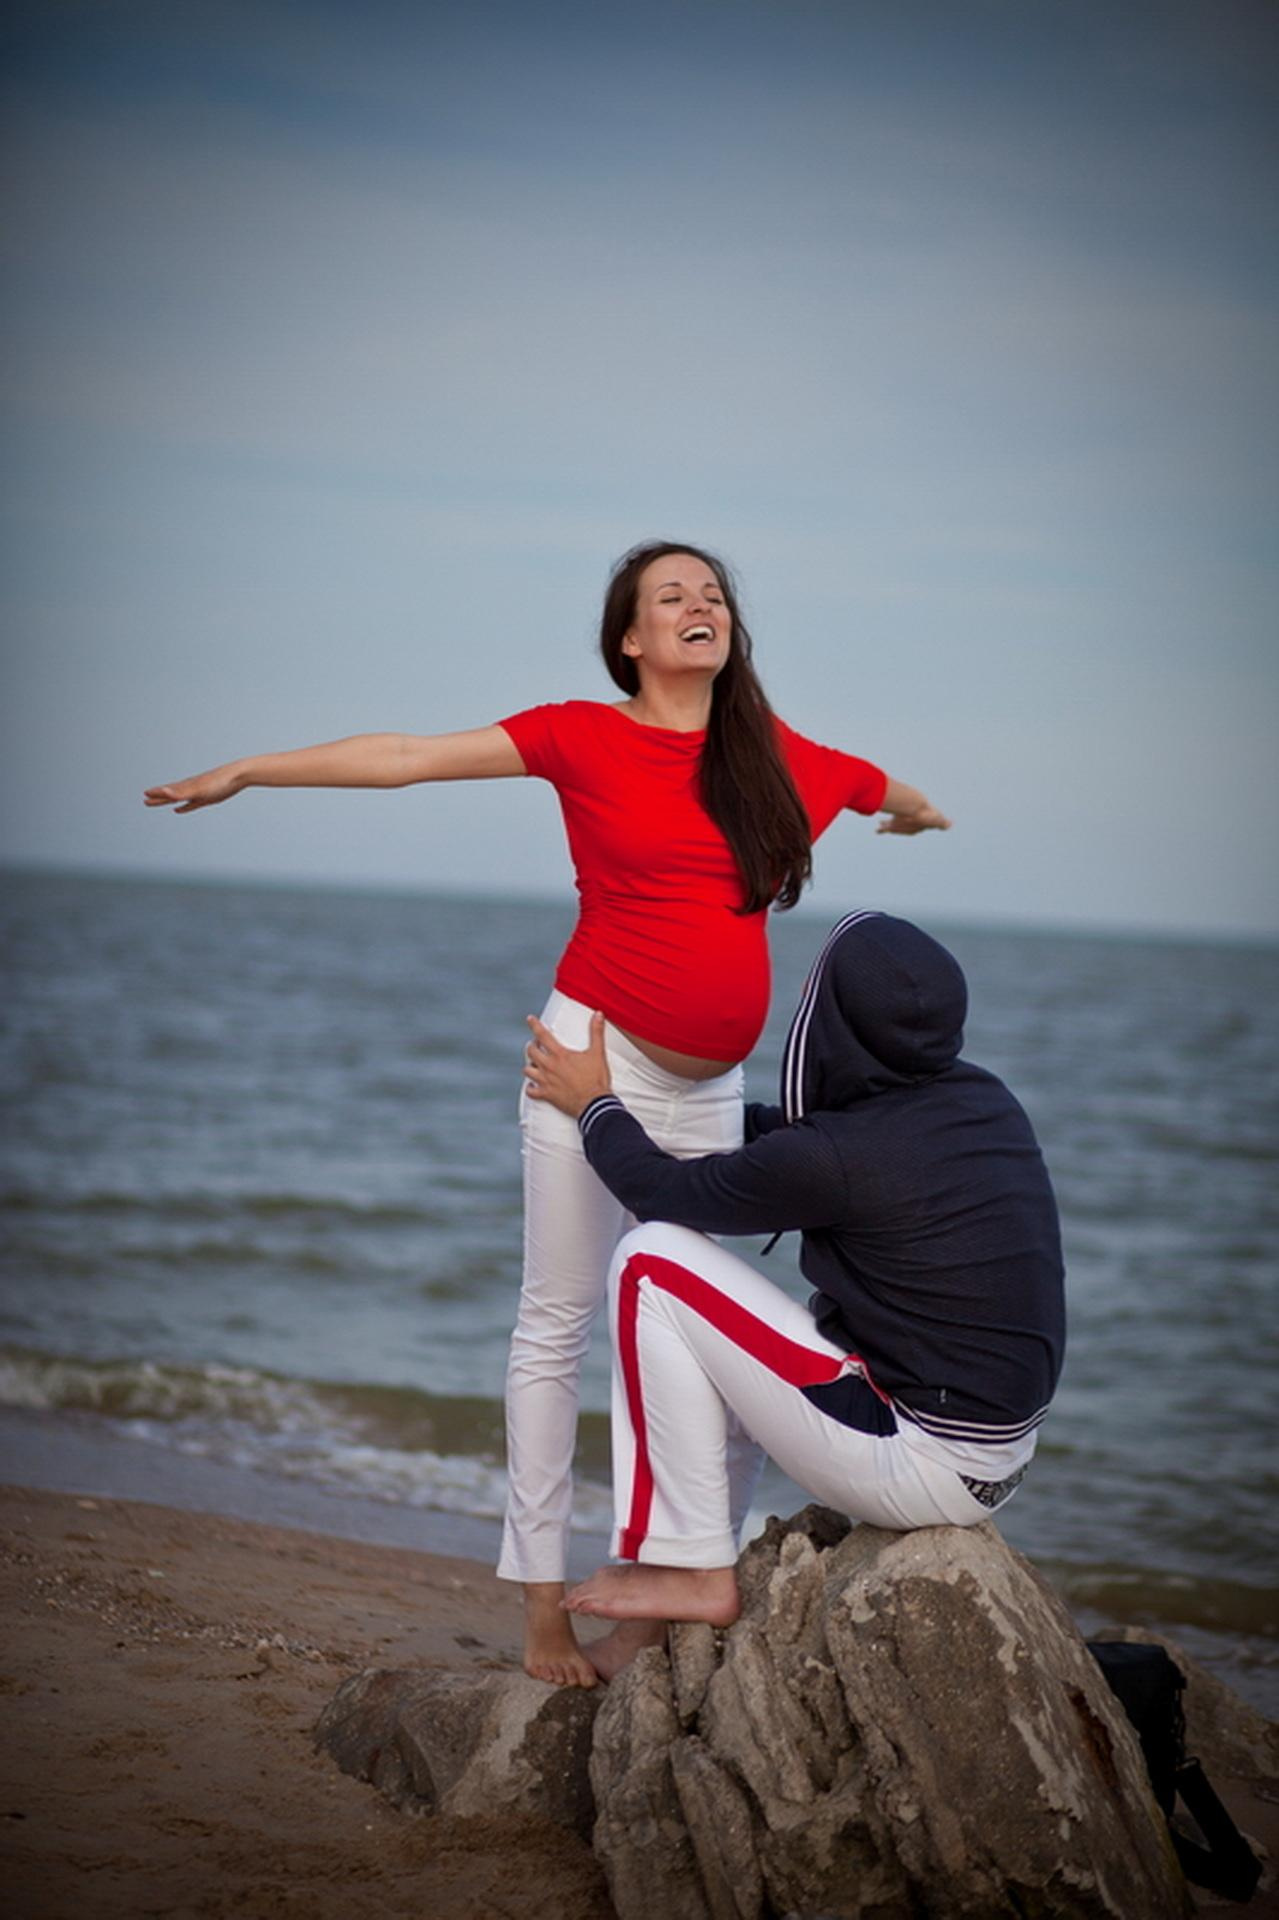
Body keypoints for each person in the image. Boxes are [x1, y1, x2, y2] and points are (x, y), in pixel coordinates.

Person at [144, 541, 951, 1686]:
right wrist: (248, 771)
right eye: (672, 595)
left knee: (686, 1341)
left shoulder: (780, 762)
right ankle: (539, 1615)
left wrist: (919, 816)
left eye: (712, 593)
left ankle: (663, 1585)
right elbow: (410, 756)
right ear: (630, 637)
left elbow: (885, 788)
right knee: (558, 1323)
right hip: (589, 1058)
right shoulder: (583, 734)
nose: (699, 605)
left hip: (709, 1093)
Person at [522, 909, 1065, 1672]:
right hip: (993, 1459)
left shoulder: (839, 1156)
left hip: (918, 1461)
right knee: (721, 1345)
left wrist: (595, 1105)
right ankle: (675, 1586)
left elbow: (663, 1192)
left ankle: (687, 1567)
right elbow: (785, 1140)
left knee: (649, 1261)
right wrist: (673, 1112)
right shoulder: (979, 1101)